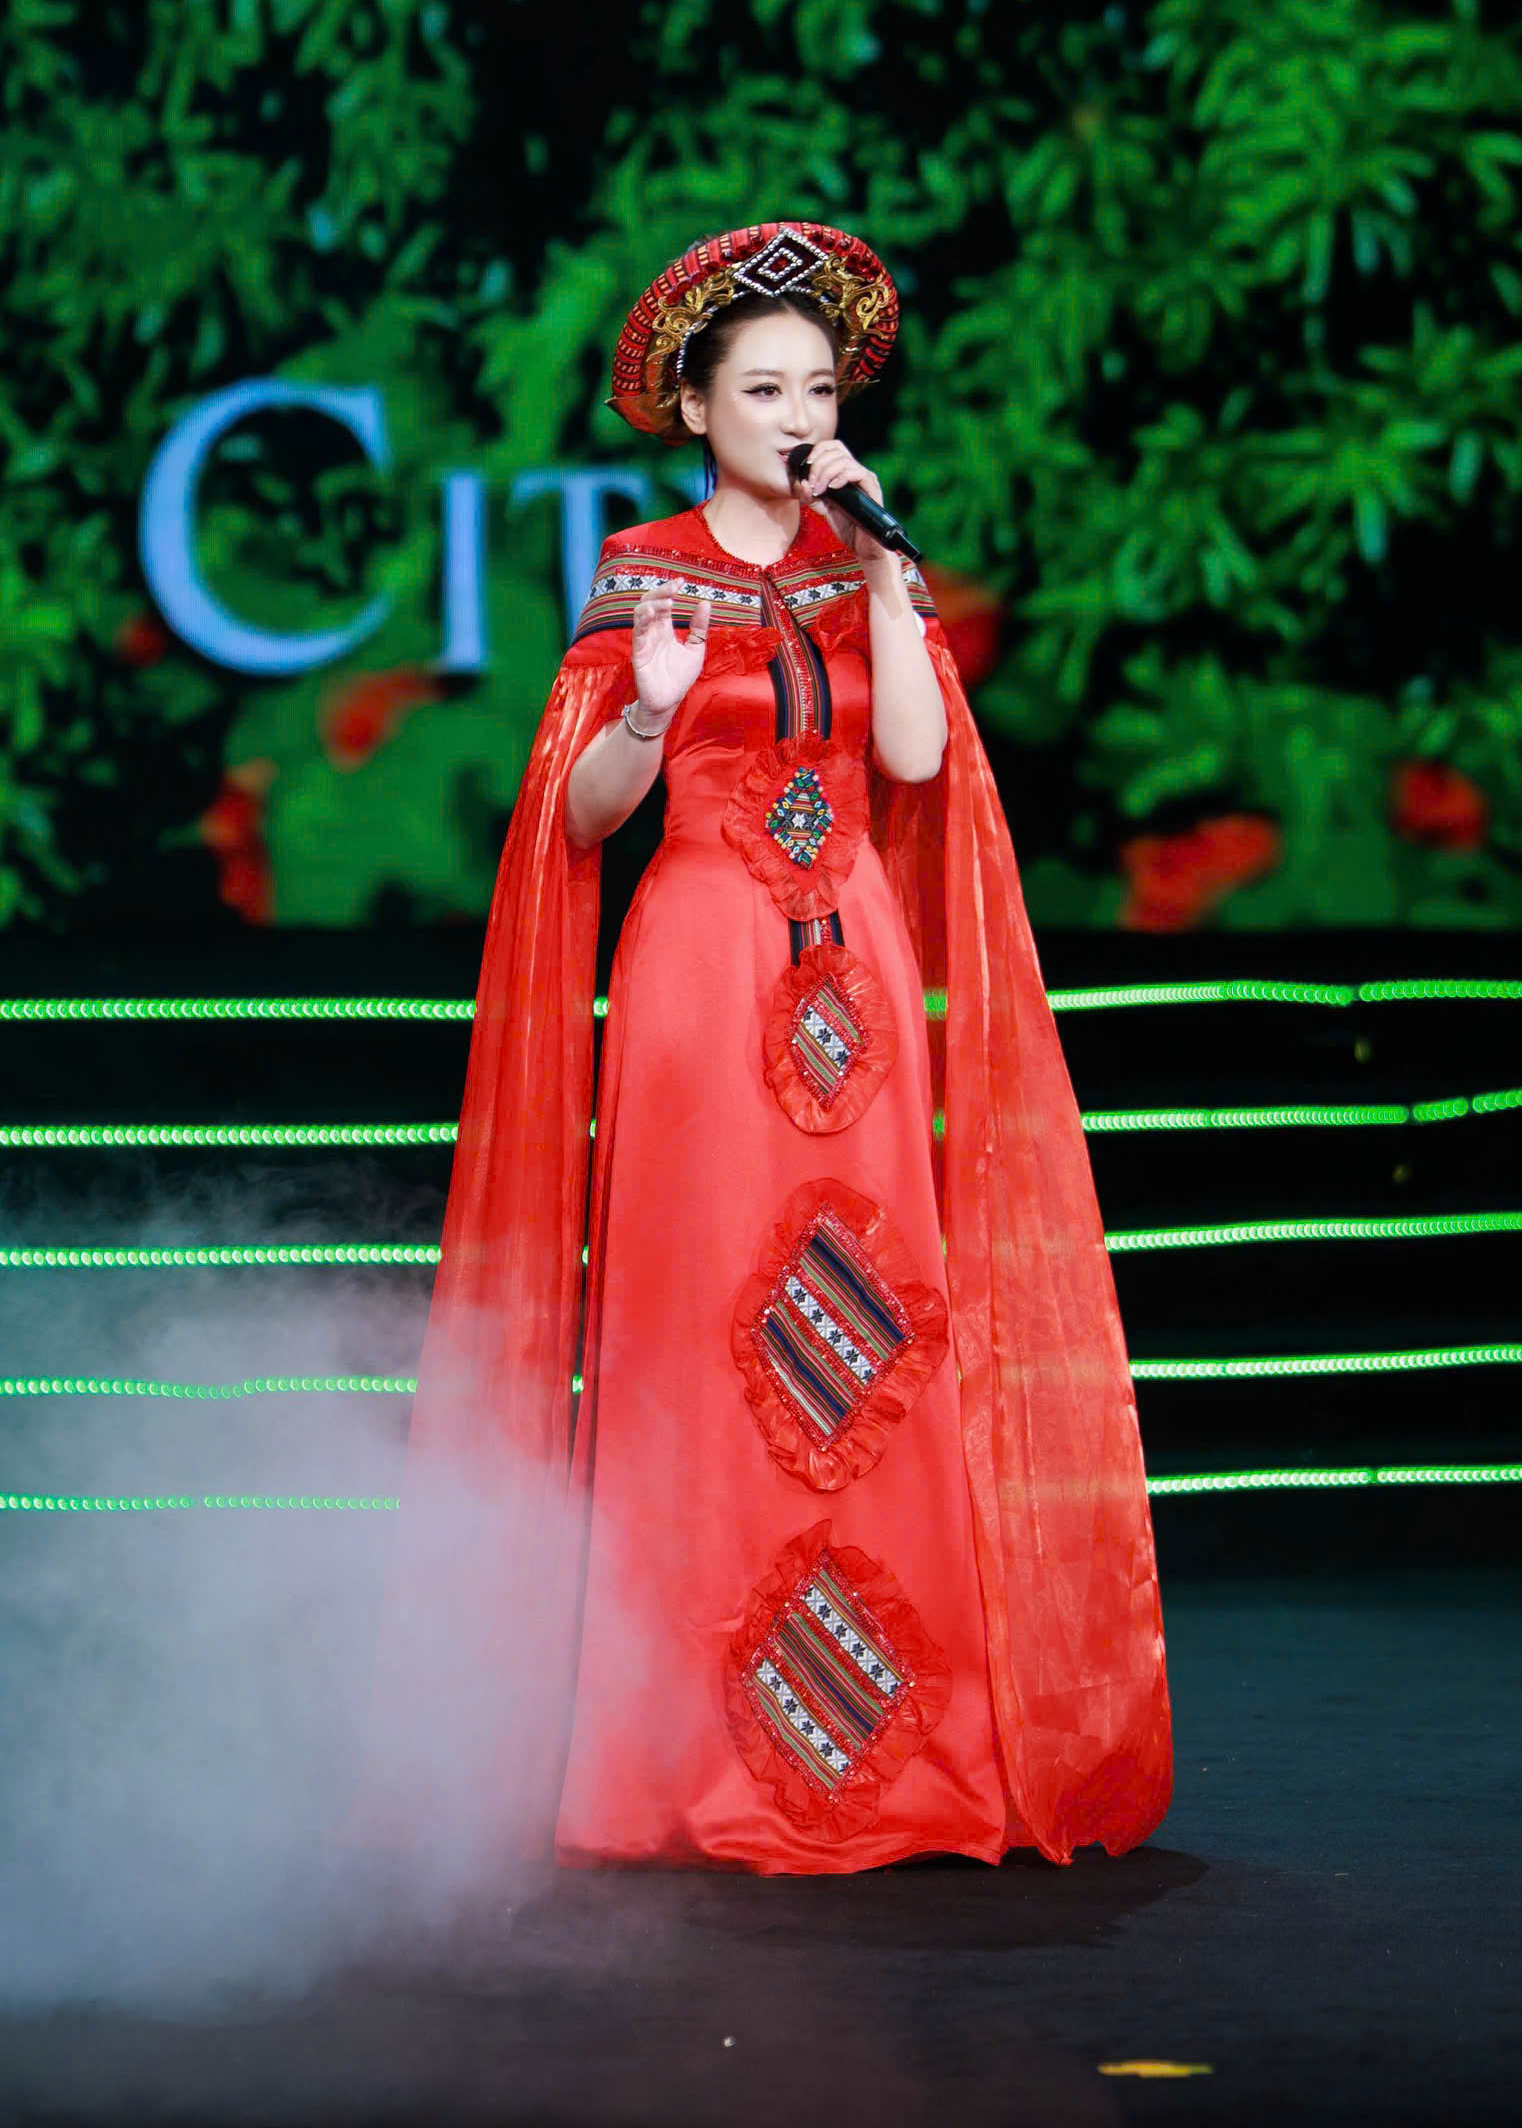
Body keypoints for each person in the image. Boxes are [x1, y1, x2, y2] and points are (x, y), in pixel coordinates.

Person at [379, 222, 1171, 1876]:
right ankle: (685, 1745)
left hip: (854, 978)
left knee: (873, 1328)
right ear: (694, 405)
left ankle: (891, 1749)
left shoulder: (861, 557)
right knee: (701, 1329)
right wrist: (654, 708)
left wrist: (883, 570)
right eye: (763, 389)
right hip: (697, 971)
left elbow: (911, 760)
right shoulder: (643, 571)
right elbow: (580, 818)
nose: (798, 415)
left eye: (819, 389)